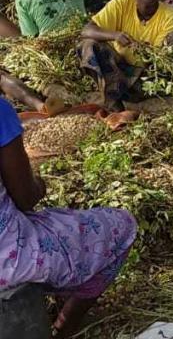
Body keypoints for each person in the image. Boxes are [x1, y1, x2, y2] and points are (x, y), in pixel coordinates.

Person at [0, 97, 137, 338]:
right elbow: (25, 198)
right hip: (8, 261)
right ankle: (64, 328)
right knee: (120, 226)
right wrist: (39, 186)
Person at [79, 0, 173, 110]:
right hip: (118, 73)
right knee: (88, 45)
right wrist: (115, 35)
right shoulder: (121, 4)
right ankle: (113, 102)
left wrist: (140, 48)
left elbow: (162, 58)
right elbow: (86, 30)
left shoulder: (172, 16)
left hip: (150, 79)